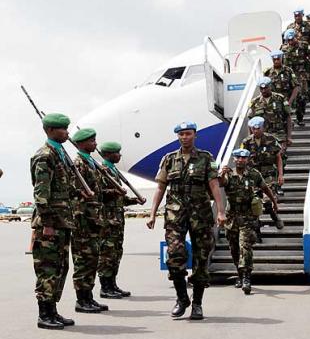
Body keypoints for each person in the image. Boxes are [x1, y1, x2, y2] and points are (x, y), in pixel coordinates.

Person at [147, 121, 226, 320]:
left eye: (188, 134)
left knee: (201, 259)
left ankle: (197, 303)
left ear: (195, 135)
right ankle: (182, 298)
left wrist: (221, 211)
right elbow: (160, 187)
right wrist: (152, 213)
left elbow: (215, 185)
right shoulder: (169, 159)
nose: (185, 137)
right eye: (181, 134)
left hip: (200, 215)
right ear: (178, 136)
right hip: (175, 215)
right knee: (174, 255)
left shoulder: (206, 158)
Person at [30, 113, 75, 329]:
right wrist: (47, 222)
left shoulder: (60, 154)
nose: (67, 132)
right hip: (50, 223)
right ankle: (43, 315)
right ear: (50, 131)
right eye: (63, 129)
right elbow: (41, 193)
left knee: (60, 267)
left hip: (62, 221)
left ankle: (53, 311)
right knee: (47, 269)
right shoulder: (45, 155)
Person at [218, 148, 278, 295]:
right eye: (238, 158)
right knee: (234, 248)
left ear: (247, 159)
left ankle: (246, 277)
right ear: (234, 159)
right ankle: (239, 274)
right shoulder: (229, 174)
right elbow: (220, 183)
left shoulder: (254, 174)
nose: (240, 160)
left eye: (243, 158)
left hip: (247, 217)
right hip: (231, 218)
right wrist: (221, 173)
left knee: (245, 246)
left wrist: (274, 202)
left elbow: (265, 188)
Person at [98, 141, 145, 299]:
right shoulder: (102, 171)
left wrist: (133, 200)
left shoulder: (113, 170)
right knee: (107, 254)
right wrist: (115, 190)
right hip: (107, 220)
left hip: (117, 220)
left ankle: (112, 284)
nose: (119, 155)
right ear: (108, 154)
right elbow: (99, 194)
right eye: (117, 153)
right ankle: (105, 287)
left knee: (116, 253)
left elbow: (119, 199)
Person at [71, 128, 108, 313]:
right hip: (83, 219)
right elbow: (75, 192)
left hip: (94, 218)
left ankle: (89, 297)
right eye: (92, 141)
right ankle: (81, 299)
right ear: (82, 143)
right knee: (82, 260)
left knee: (92, 259)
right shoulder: (78, 164)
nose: (95, 144)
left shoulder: (91, 162)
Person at [241, 116, 284, 243]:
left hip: (268, 175)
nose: (255, 131)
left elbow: (278, 158)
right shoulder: (247, 142)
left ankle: (274, 217)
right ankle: (257, 232)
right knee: (254, 204)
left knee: (267, 202)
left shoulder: (271, 139)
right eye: (253, 129)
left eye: (257, 128)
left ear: (262, 127)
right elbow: (241, 160)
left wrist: (281, 175)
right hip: (253, 177)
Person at [248, 76, 292, 169]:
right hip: (263, 137)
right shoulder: (255, 102)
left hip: (279, 135)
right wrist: (251, 136)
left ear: (270, 86)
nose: (263, 90)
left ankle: (279, 177)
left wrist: (289, 136)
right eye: (261, 88)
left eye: (265, 88)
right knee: (265, 160)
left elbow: (288, 117)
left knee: (281, 158)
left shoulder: (280, 98)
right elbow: (250, 121)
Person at [281, 29, 310, 125]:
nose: (290, 42)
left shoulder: (304, 45)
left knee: (301, 97)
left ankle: (299, 117)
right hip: (287, 77)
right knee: (286, 98)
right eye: (288, 40)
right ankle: (288, 119)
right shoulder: (283, 48)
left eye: (291, 39)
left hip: (301, 76)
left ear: (295, 37)